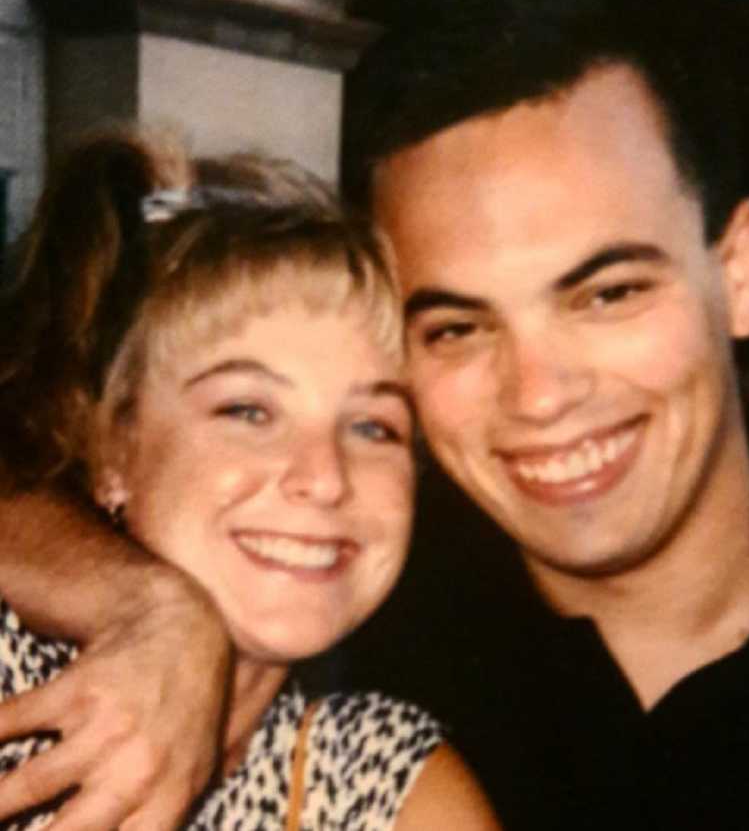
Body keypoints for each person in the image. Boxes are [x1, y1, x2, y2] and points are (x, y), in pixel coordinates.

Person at [2, 0, 749, 830]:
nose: (541, 395)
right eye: (458, 328)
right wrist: (140, 604)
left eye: (608, 292)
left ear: (739, 271)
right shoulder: (352, 572)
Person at [0, 129, 498, 829]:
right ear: (113, 447)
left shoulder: (376, 781)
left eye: (373, 426)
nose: (325, 478)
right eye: (249, 409)